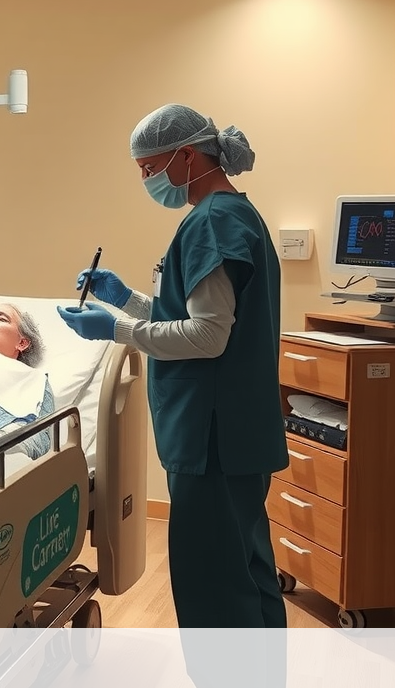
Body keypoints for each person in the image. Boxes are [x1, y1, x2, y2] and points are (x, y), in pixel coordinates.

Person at [56, 103, 288, 631]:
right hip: (231, 434)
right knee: (245, 568)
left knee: (214, 579)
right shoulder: (234, 213)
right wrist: (128, 300)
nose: (146, 180)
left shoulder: (212, 222)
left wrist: (114, 330)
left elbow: (207, 336)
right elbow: (191, 311)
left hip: (214, 437)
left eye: (148, 168)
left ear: (186, 156)